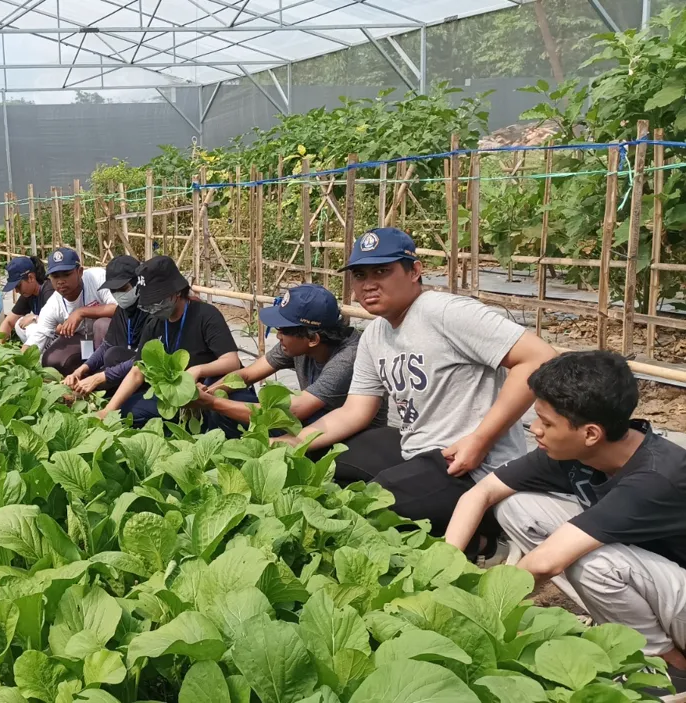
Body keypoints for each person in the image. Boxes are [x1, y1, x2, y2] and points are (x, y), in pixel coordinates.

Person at [283, 227, 557, 547]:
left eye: (382, 271)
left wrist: (481, 439)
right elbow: (355, 411)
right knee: (326, 462)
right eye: (359, 275)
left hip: (470, 463)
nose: (368, 284)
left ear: (414, 271)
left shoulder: (445, 313)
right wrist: (296, 442)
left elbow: (540, 358)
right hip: (417, 450)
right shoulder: (375, 335)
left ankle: (484, 540)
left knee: (374, 504)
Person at [443, 351, 686, 690]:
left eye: (546, 422)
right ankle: (622, 630)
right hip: (655, 578)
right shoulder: (572, 452)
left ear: (590, 433)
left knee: (592, 562)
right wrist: (440, 575)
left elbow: (545, 563)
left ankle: (662, 664)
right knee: (517, 507)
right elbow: (480, 494)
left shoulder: (657, 477)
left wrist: (472, 611)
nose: (534, 429)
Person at [99, 255, 257, 436]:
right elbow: (137, 371)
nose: (154, 308)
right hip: (176, 397)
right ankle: (179, 434)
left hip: (213, 389)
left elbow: (231, 361)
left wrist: (199, 370)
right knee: (129, 411)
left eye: (157, 301)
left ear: (176, 292)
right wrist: (108, 409)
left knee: (227, 416)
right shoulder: (155, 323)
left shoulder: (205, 315)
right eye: (149, 304)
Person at [195, 283, 388, 429]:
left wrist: (213, 403)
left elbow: (295, 410)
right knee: (233, 395)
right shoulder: (297, 345)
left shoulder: (348, 358)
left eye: (283, 330)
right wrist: (210, 392)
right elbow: (245, 375)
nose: (277, 336)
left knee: (248, 413)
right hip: (314, 418)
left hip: (352, 436)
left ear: (313, 338)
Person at [64, 254, 160, 397]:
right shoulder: (123, 309)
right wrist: (82, 369)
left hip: (150, 370)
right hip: (128, 366)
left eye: (122, 288)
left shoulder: (153, 309)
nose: (118, 294)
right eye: (113, 290)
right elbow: (106, 345)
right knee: (109, 356)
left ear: (138, 282)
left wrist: (99, 378)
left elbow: (144, 360)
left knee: (112, 357)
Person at [23, 248, 117, 375]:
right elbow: (37, 337)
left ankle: (108, 375)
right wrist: (18, 363)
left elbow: (118, 307)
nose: (60, 281)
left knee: (102, 324)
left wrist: (81, 312)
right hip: (82, 339)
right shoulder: (53, 305)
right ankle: (84, 375)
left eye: (66, 274)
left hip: (111, 337)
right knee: (51, 359)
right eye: (55, 276)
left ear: (80, 272)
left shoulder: (97, 278)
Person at [0, 256, 54, 342]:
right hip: (47, 336)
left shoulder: (49, 292)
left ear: (31, 277)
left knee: (32, 327)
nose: (16, 291)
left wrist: (35, 318)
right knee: (19, 323)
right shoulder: (29, 294)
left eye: (18, 286)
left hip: (61, 338)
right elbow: (9, 322)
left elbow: (57, 325)